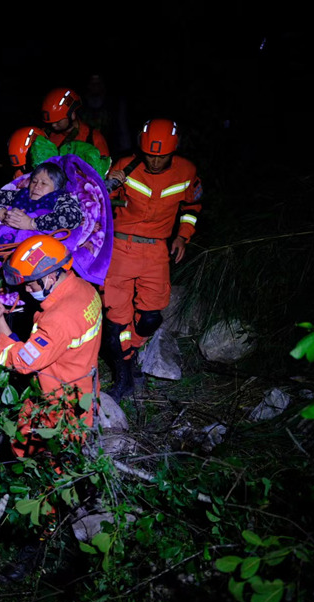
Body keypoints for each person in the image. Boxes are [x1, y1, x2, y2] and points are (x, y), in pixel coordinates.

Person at [103, 119, 203, 400]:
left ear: (174, 151)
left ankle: (131, 349)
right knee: (116, 321)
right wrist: (109, 181)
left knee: (150, 318)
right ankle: (124, 375)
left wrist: (183, 235)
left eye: (161, 157)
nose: (155, 162)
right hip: (121, 248)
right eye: (150, 155)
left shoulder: (187, 172)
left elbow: (192, 206)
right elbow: (95, 200)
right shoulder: (126, 165)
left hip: (156, 250)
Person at [0, 234, 103, 458]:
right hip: (80, 387)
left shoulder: (59, 319)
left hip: (57, 401)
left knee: (43, 454)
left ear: (50, 277)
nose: (26, 289)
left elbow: (22, 362)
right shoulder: (85, 289)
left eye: (31, 282)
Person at [0, 161, 84, 234]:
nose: (36, 187)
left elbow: (73, 217)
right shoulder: (21, 195)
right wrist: (3, 214)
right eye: (34, 181)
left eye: (44, 183)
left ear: (56, 188)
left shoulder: (60, 198)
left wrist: (31, 223)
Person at [41, 87, 110, 159]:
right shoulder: (45, 135)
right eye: (51, 122)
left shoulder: (93, 138)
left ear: (72, 114)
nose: (53, 125)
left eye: (58, 121)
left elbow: (105, 167)